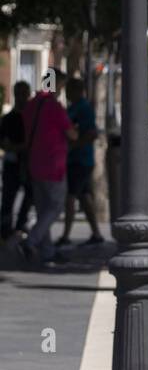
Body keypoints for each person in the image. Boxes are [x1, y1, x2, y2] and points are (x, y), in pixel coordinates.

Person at [20, 70, 78, 267]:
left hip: (34, 163)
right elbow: (72, 134)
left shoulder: (31, 104)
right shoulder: (54, 106)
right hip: (53, 164)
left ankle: (47, 252)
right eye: (61, 85)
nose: (62, 89)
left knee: (43, 208)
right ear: (56, 85)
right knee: (55, 207)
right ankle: (31, 240)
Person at [57, 78, 104, 247]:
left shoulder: (83, 108)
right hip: (75, 159)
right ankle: (96, 233)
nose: (67, 93)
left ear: (78, 90)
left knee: (70, 196)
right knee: (84, 197)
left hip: (80, 159)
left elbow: (91, 133)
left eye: (69, 89)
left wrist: (73, 146)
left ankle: (66, 235)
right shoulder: (73, 107)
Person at [1, 80, 34, 244]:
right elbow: (4, 142)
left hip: (29, 163)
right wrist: (17, 147)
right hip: (12, 164)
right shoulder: (8, 119)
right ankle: (5, 229)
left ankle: (21, 224)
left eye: (24, 93)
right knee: (8, 196)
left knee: (30, 194)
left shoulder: (32, 117)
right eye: (19, 94)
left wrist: (20, 148)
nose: (22, 98)